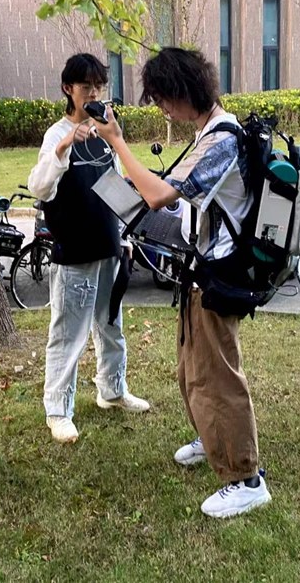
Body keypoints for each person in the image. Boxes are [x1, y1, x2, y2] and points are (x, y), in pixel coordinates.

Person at [94, 47, 271, 519]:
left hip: (220, 275)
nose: (163, 110)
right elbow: (178, 201)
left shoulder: (222, 141)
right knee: (191, 371)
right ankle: (212, 438)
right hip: (200, 271)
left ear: (185, 91)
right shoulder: (206, 134)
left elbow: (157, 196)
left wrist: (118, 142)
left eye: (164, 99)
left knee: (218, 378)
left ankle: (246, 477)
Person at [27, 53, 150, 444]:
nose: (94, 94)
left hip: (108, 245)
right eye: (86, 88)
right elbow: (39, 187)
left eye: (99, 87)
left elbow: (114, 185)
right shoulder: (55, 135)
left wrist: (126, 237)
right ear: (68, 89)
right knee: (68, 334)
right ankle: (58, 411)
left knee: (110, 326)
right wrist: (66, 143)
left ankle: (112, 391)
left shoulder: (105, 132)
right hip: (74, 251)